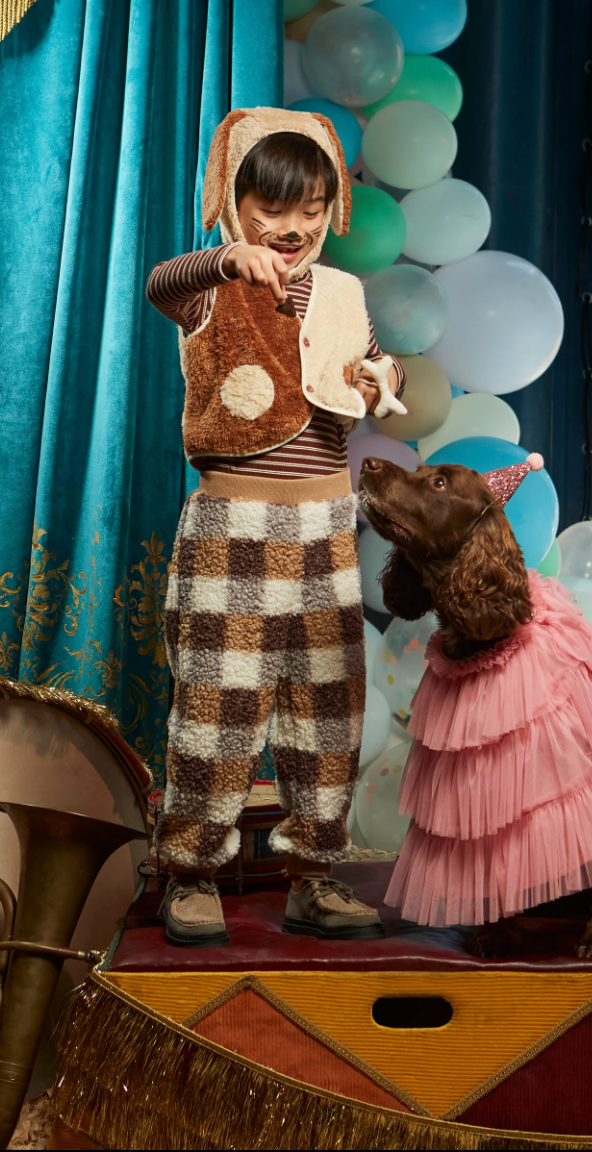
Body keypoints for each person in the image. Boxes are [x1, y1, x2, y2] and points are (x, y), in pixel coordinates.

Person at [146, 108, 405, 947]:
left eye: (311, 210)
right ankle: (191, 874)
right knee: (218, 707)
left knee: (326, 707)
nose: (292, 228)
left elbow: (373, 358)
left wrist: (382, 377)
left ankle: (315, 876)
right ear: (236, 201)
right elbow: (161, 284)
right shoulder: (210, 287)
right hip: (235, 523)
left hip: (326, 523)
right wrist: (229, 257)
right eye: (272, 209)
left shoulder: (343, 294)